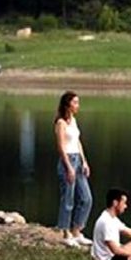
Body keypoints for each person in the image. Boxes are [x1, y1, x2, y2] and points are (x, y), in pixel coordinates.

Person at [54, 91, 92, 247]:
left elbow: (78, 142)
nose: (78, 106)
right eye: (75, 102)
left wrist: (84, 162)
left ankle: (77, 230)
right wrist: (69, 167)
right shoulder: (61, 123)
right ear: (68, 104)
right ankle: (66, 232)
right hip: (67, 161)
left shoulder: (73, 121)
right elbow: (61, 146)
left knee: (86, 198)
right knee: (68, 199)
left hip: (77, 159)